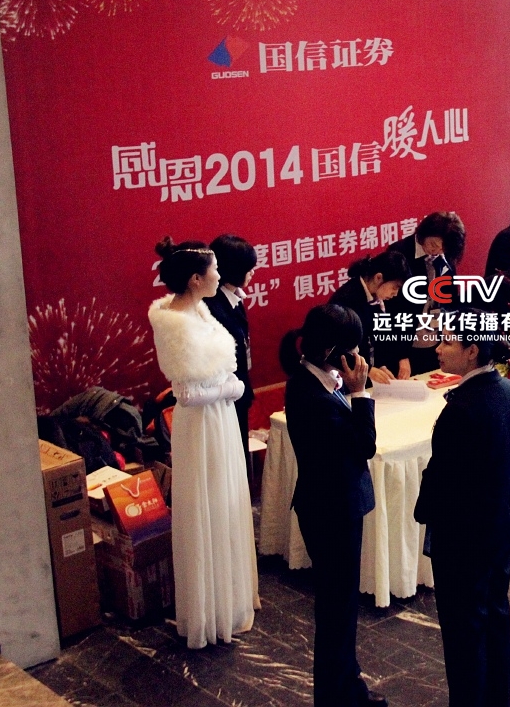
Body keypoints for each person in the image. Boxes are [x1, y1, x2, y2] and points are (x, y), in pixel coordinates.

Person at [148, 238, 258, 649]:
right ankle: (209, 610)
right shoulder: (175, 323)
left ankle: (230, 599)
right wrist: (230, 388)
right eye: (213, 270)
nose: (219, 275)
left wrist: (229, 387)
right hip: (202, 425)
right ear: (196, 279)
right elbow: (187, 393)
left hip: (221, 419)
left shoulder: (199, 308)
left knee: (226, 502)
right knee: (207, 505)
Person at [279, 305, 387, 707]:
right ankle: (336, 696)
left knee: (339, 607)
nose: (358, 357)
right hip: (331, 511)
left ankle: (347, 688)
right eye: (352, 349)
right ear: (332, 351)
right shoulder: (314, 396)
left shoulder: (313, 381)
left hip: (329, 505)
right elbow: (365, 445)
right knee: (336, 609)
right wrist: (360, 393)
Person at [415, 326, 510, 707]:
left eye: (448, 342)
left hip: (464, 537)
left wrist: (423, 508)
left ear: (472, 350)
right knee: (495, 619)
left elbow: (444, 477)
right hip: (500, 525)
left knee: (463, 634)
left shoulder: (460, 410)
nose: (438, 348)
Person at [387, 211, 468, 375]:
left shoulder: (445, 254)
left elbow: (451, 298)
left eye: (442, 248)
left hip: (436, 338)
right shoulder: (399, 253)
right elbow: (393, 309)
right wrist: (401, 355)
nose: (436, 250)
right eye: (433, 244)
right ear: (423, 233)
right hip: (408, 341)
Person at [204, 234, 258, 475]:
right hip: (223, 397)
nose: (253, 272)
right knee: (229, 466)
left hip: (239, 391)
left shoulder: (234, 297)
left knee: (240, 460)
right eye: (248, 268)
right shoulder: (211, 307)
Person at [330, 249, 411, 384]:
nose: (395, 294)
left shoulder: (376, 298)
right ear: (378, 277)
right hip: (342, 379)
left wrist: (380, 365)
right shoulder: (346, 300)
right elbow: (334, 350)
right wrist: (368, 370)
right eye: (394, 287)